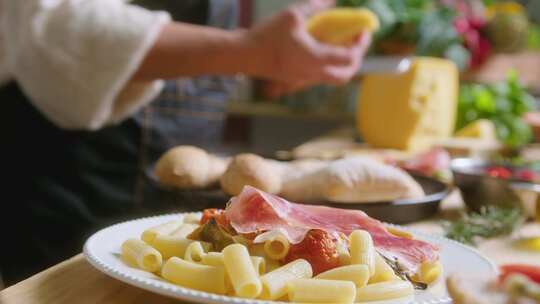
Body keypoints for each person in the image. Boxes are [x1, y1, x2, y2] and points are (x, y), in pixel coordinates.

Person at [0, 0, 370, 285]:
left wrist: (291, 59)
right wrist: (252, 51)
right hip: (70, 178)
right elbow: (53, 27)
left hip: (187, 183)